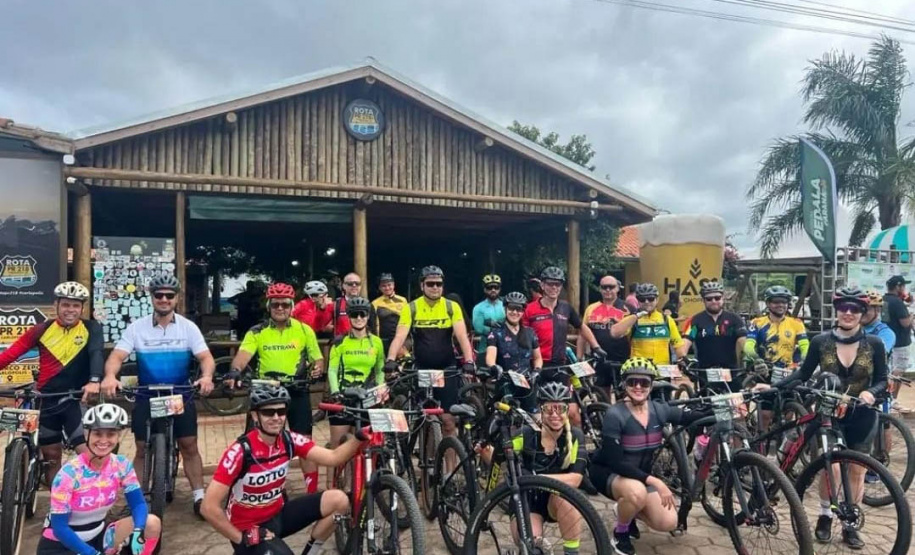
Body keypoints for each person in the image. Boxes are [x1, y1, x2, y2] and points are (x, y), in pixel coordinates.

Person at [753, 287, 888, 549]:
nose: (848, 313)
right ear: (836, 311)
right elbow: (802, 374)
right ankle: (825, 516)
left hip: (862, 413)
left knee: (857, 470)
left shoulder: (874, 344)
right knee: (831, 468)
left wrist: (871, 393)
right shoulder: (821, 341)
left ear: (862, 313)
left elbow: (883, 379)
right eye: (843, 308)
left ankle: (850, 523)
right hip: (828, 413)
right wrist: (772, 388)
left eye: (855, 309)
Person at [101, 274, 215, 517]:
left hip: (180, 394)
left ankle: (199, 496)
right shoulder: (137, 327)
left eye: (169, 295)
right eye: (159, 295)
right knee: (142, 448)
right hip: (147, 394)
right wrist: (110, 376)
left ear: (176, 299)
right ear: (152, 297)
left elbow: (206, 358)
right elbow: (116, 357)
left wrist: (206, 377)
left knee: (189, 445)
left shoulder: (188, 327)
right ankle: (136, 500)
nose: (164, 299)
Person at [201, 385, 360, 555]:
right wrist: (242, 538)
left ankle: (310, 552)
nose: (276, 417)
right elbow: (208, 507)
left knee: (339, 500)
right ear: (255, 415)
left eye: (281, 412)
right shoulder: (240, 452)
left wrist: (361, 437)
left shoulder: (289, 440)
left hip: (278, 516)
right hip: (248, 528)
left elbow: (333, 457)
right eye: (268, 412)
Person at [590, 357, 709, 555]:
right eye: (632, 382)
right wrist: (657, 482)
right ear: (624, 384)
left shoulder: (658, 410)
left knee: (668, 521)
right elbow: (616, 462)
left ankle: (626, 511)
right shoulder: (615, 414)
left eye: (644, 382)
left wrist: (726, 410)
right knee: (636, 492)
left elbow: (689, 417)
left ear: (651, 385)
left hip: (637, 476)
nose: (638, 386)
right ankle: (620, 534)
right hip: (607, 472)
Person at [226, 282, 325, 494]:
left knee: (305, 443)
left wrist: (316, 370)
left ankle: (312, 492)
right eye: (275, 305)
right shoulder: (257, 331)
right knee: (253, 442)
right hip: (266, 393)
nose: (280, 309)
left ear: (292, 306)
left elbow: (317, 358)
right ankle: (248, 487)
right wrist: (235, 370)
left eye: (285, 305)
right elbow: (242, 357)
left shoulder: (304, 330)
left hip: (296, 389)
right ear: (269, 306)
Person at [0, 281, 101, 483]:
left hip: (75, 399)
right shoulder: (41, 330)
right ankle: (58, 506)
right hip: (46, 399)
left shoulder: (91, 328)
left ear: (82, 307)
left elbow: (96, 354)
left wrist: (94, 380)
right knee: (52, 458)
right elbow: (11, 354)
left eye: (75, 305)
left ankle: (91, 501)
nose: (70, 310)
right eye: (66, 305)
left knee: (88, 454)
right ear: (56, 305)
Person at [38, 404, 162, 555]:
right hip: (61, 544)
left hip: (98, 536)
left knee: (152, 523)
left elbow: (138, 504)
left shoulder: (121, 464)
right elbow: (60, 528)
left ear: (118, 437)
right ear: (86, 434)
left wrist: (138, 530)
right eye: (97, 433)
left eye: (110, 434)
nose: (104, 440)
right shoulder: (69, 473)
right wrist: (91, 553)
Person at [384, 265, 476, 438]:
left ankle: (449, 463)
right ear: (422, 286)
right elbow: (400, 336)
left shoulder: (451, 306)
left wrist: (469, 361)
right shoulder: (412, 308)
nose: (435, 287)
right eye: (430, 284)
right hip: (422, 368)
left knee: (449, 422)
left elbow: (462, 336)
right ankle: (424, 454)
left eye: (439, 284)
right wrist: (390, 359)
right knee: (423, 417)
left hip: (446, 368)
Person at [524, 266, 606, 427]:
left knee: (573, 413)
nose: (554, 288)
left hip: (559, 366)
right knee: (538, 416)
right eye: (550, 284)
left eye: (558, 284)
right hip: (535, 366)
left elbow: (581, 326)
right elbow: (520, 335)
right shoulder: (530, 309)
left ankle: (577, 450)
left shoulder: (566, 308)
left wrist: (596, 347)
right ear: (542, 285)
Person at [512, 382, 588, 555]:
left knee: (570, 498)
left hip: (556, 497)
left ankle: (571, 552)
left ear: (567, 411)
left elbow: (576, 479)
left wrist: (537, 478)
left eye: (560, 408)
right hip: (528, 498)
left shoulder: (576, 436)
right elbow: (500, 458)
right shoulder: (525, 434)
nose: (555, 414)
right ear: (540, 410)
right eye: (548, 409)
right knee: (532, 546)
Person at [744, 285, 809, 431]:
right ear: (768, 304)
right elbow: (748, 346)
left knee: (788, 412)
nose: (780, 305)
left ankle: (782, 438)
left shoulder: (796, 323)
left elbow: (805, 345)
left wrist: (805, 359)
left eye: (784, 301)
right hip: (766, 369)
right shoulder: (757, 323)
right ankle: (761, 442)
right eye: (776, 301)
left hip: (788, 370)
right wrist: (756, 359)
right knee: (766, 414)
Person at [327, 297, 385, 450]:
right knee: (336, 449)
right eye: (354, 315)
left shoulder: (376, 342)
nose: (358, 318)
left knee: (368, 446)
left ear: (367, 316)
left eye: (362, 314)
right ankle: (333, 475)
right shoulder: (340, 342)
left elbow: (380, 370)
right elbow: (332, 370)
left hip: (366, 396)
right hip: (343, 396)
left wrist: (380, 388)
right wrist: (335, 392)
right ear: (349, 317)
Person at [681, 280, 747, 391]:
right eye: (709, 299)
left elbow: (743, 341)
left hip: (731, 371)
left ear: (723, 298)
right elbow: (686, 341)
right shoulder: (695, 321)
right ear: (703, 300)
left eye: (717, 298)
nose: (714, 301)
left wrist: (752, 356)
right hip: (705, 372)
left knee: (737, 405)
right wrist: (683, 358)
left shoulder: (734, 319)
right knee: (708, 405)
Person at [486, 291, 543, 413]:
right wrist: (494, 366)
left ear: (523, 312)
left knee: (534, 420)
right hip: (505, 383)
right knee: (505, 420)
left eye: (519, 309)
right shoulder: (495, 332)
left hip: (527, 383)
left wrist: (537, 370)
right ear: (505, 309)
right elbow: (490, 356)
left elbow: (537, 357)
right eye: (511, 308)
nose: (515, 312)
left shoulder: (530, 332)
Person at [579, 275, 632, 399]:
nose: (608, 290)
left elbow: (634, 335)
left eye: (611, 287)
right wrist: (579, 357)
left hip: (623, 360)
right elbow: (582, 334)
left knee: (625, 397)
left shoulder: (628, 308)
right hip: (600, 359)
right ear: (600, 289)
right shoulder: (591, 308)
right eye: (604, 287)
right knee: (602, 395)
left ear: (618, 288)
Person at [611, 283, 688, 366]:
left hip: (662, 371)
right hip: (639, 371)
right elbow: (614, 333)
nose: (646, 302)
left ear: (657, 299)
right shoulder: (633, 319)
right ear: (637, 300)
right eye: (642, 299)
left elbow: (678, 345)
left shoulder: (666, 320)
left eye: (651, 298)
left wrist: (682, 360)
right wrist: (635, 316)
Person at [883, 275, 912, 412]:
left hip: (889, 342)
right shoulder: (897, 303)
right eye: (903, 286)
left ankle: (889, 399)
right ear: (898, 287)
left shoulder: (884, 299)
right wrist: (912, 314)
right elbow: (905, 323)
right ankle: (893, 400)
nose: (904, 289)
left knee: (890, 371)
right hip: (900, 342)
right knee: (897, 372)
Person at [472, 274, 506, 365]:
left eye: (496, 287)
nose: (493, 290)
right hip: (485, 347)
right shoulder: (478, 308)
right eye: (489, 287)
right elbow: (479, 328)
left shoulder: (505, 305)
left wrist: (490, 324)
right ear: (484, 289)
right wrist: (499, 326)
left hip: (505, 347)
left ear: (500, 289)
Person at [371, 273, 407, 355]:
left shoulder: (403, 300)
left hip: (400, 341)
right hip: (383, 341)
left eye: (389, 285)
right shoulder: (375, 303)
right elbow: (373, 326)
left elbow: (406, 322)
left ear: (393, 285)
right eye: (384, 286)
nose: (387, 288)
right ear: (380, 288)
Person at [332, 272, 377, 337]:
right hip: (342, 344)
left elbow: (373, 328)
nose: (354, 285)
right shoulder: (335, 305)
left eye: (357, 283)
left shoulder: (368, 305)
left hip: (363, 344)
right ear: (343, 286)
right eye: (350, 284)